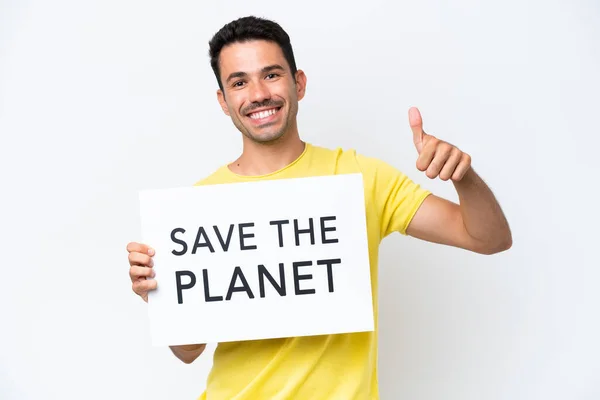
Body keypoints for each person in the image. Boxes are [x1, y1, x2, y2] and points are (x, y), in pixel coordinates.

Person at [126, 15, 512, 400]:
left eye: (272, 75)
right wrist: (165, 298)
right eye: (239, 82)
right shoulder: (198, 207)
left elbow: (490, 238)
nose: (258, 93)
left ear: (299, 83)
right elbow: (189, 352)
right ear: (224, 102)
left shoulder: (360, 177)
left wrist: (464, 176)